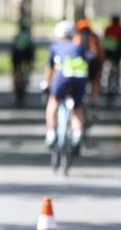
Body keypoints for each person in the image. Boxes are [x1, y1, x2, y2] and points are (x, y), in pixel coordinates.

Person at [43, 19, 88, 149]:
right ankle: (77, 133)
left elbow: (49, 68)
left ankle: (51, 133)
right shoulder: (79, 47)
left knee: (53, 101)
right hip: (80, 77)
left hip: (63, 77)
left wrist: (46, 83)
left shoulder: (55, 47)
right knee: (77, 107)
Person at [74, 18, 105, 104]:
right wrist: (101, 64)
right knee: (95, 81)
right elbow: (100, 52)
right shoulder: (94, 37)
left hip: (80, 63)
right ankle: (94, 99)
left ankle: (79, 98)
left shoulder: (76, 37)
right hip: (93, 62)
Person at [10, 20, 36, 103]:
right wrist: (32, 61)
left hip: (17, 58)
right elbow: (32, 50)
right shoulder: (28, 37)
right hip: (26, 57)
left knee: (16, 74)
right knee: (26, 72)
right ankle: (26, 81)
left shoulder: (17, 37)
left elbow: (12, 49)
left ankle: (16, 85)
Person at [102, 13, 121, 90]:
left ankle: (109, 83)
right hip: (117, 51)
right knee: (117, 67)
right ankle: (116, 83)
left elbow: (105, 40)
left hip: (109, 51)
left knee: (110, 67)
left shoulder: (108, 29)